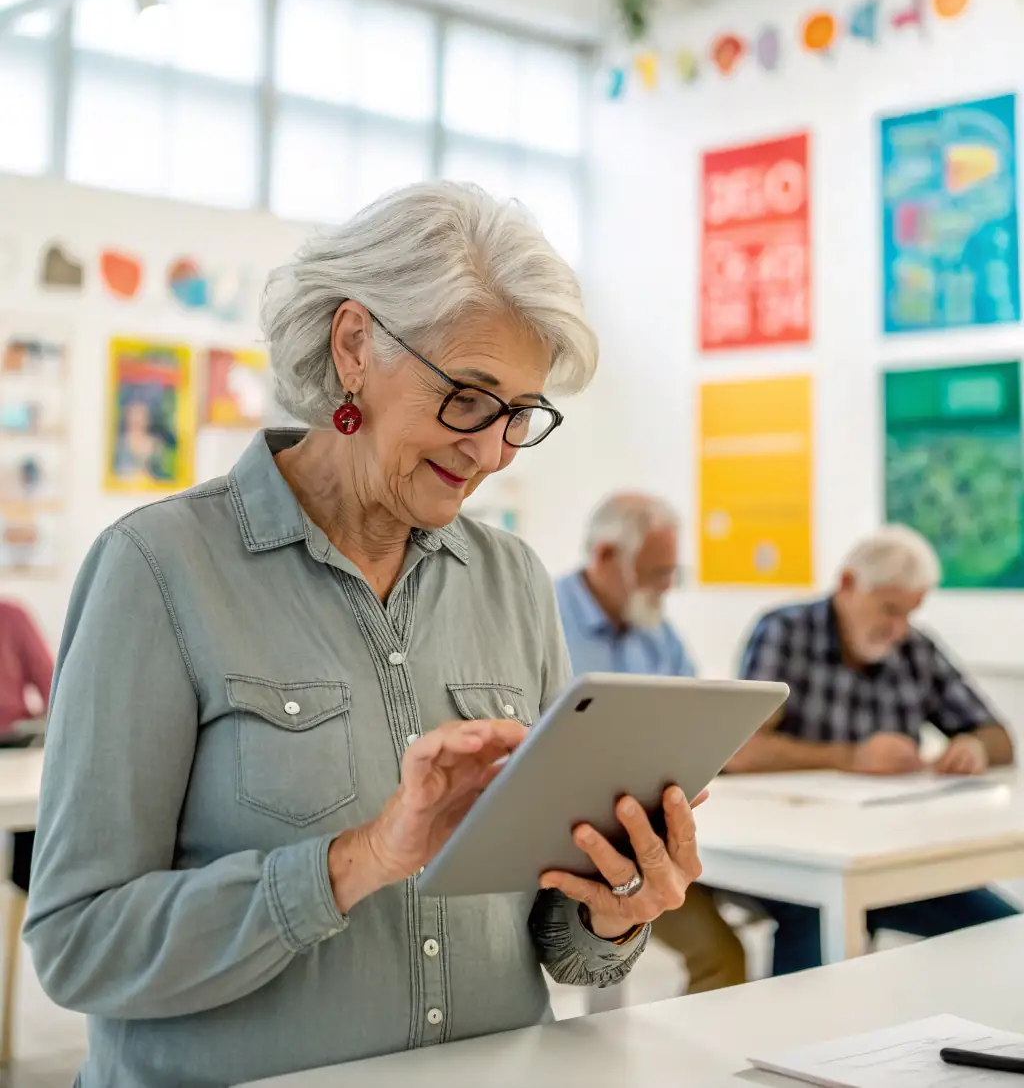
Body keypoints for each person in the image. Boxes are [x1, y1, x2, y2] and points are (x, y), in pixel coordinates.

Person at [25, 184, 704, 1088]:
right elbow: (80, 945)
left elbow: (556, 944)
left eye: (522, 414)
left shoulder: (510, 582)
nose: (494, 450)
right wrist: (357, 862)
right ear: (355, 345)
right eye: (469, 395)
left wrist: (619, 906)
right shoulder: (158, 569)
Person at [731, 524, 1017, 975]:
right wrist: (851, 758)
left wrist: (973, 746)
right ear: (847, 585)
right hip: (797, 856)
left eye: (910, 613)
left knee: (1007, 935)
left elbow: (999, 738)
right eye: (889, 609)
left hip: (890, 857)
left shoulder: (914, 649)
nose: (898, 628)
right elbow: (740, 751)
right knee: (815, 933)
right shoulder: (784, 632)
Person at [557, 493, 746, 993]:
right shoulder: (543, 620)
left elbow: (698, 719)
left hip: (662, 829)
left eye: (671, 573)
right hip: (584, 844)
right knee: (722, 955)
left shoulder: (655, 630)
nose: (665, 587)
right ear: (604, 556)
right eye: (655, 571)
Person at [0, 602, 53, 893]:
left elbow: (52, 683)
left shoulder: (12, 616)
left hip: (14, 743)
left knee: (37, 814)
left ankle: (29, 887)